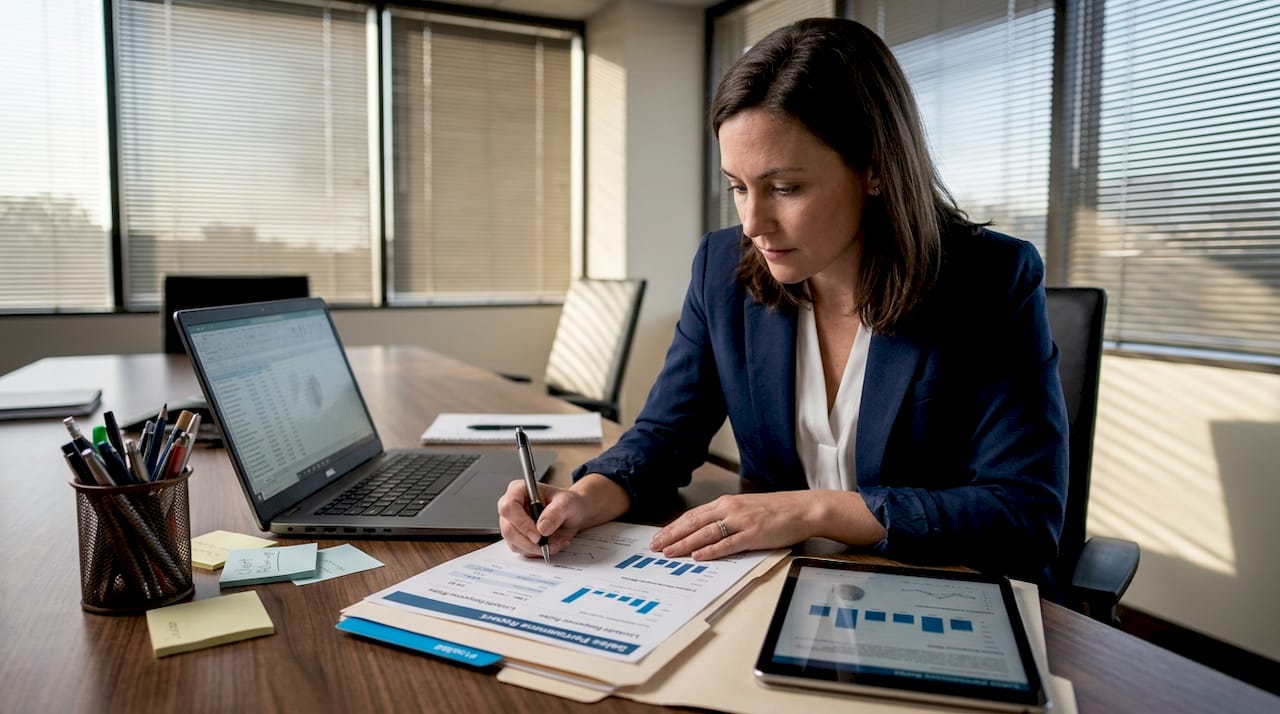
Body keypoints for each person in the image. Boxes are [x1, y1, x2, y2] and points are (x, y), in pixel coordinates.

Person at [498, 17, 1069, 585]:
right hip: (773, 582)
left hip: (928, 588)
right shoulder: (721, 268)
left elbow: (1023, 514)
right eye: (738, 187)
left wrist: (811, 509)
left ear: (874, 170)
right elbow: (667, 435)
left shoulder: (990, 279)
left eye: (785, 188)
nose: (752, 224)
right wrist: (584, 497)